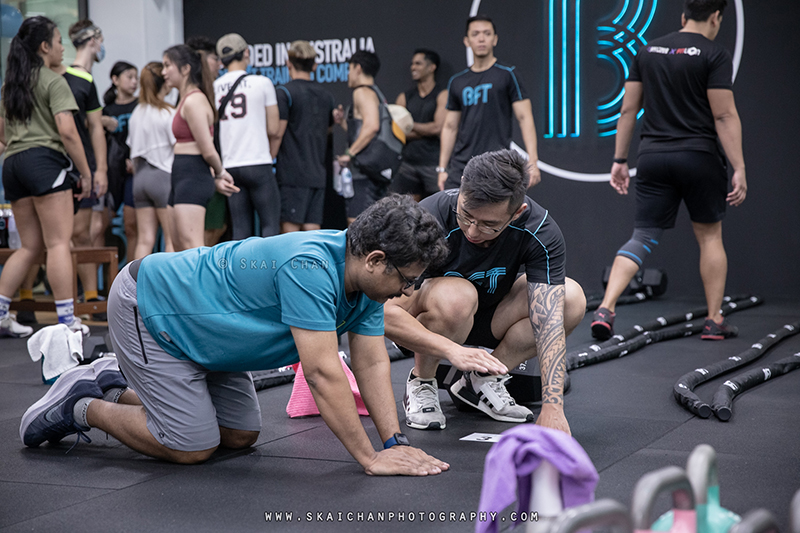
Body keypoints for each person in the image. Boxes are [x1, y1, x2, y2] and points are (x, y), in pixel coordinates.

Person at [20, 194, 452, 477]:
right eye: (407, 279)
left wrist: (394, 442)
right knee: (192, 445)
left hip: (209, 338)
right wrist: (370, 458)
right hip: (152, 310)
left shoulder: (363, 284)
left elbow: (373, 360)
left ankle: (116, 382)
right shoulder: (311, 268)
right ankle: (81, 402)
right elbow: (321, 372)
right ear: (376, 260)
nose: (408, 291)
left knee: (239, 434)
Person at [384, 150, 586, 434]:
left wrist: (553, 407)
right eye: (466, 216)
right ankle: (422, 381)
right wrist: (450, 350)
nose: (473, 231)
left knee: (571, 298)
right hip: (434, 318)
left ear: (517, 213)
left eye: (489, 225)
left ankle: (480, 381)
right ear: (462, 185)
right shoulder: (430, 216)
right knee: (458, 296)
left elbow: (549, 322)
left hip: (490, 318)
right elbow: (382, 311)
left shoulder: (539, 230)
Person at [590, 0, 746, 342]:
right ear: (717, 17)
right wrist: (739, 167)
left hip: (653, 157)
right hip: (698, 156)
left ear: (683, 15)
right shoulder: (714, 54)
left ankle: (606, 307)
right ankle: (714, 320)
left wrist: (619, 161)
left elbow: (628, 110)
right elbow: (723, 115)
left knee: (642, 237)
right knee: (709, 237)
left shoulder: (647, 51)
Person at [0, 16, 92, 337]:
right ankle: (67, 322)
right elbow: (68, 132)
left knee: (29, 247)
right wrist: (86, 172)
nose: (62, 47)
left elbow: (2, 135)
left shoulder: (9, 86)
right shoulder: (53, 81)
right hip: (44, 162)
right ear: (44, 46)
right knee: (58, 244)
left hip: (12, 165)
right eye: (58, 41)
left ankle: (0, 314)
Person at [439, 15, 541, 191]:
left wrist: (533, 160)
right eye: (475, 34)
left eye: (487, 34)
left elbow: (524, 117)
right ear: (466, 40)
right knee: (454, 216)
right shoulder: (457, 81)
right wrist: (442, 168)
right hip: (460, 166)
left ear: (495, 39)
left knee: (493, 216)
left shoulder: (508, 74)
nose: (481, 38)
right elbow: (449, 126)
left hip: (496, 163)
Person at [162, 44, 237, 251]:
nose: (163, 72)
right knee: (176, 245)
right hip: (181, 175)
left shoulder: (194, 100)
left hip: (193, 176)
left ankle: (202, 285)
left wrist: (220, 173)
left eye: (168, 66)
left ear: (185, 69)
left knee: (192, 247)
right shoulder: (185, 100)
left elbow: (207, 149)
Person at [59, 20, 109, 313]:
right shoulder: (60, 77)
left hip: (84, 166)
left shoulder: (87, 82)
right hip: (57, 163)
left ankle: (89, 297)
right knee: (58, 236)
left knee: (84, 232)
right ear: (94, 40)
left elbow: (95, 128)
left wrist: (100, 168)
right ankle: (32, 297)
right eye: (101, 40)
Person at [213, 33, 280, 239]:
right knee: (270, 227)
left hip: (230, 165)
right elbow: (274, 128)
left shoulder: (214, 87)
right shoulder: (262, 82)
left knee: (240, 231)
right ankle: (268, 271)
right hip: (258, 161)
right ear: (246, 53)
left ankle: (241, 272)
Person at [274, 40, 336, 233]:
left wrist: (268, 161)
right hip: (317, 174)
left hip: (292, 174)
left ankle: (292, 265)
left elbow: (277, 132)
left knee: (290, 232)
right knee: (312, 230)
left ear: (288, 63)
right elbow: (327, 131)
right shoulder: (326, 96)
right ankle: (314, 264)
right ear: (314, 66)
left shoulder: (284, 92)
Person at [127, 61, 176, 259]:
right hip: (163, 175)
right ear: (163, 82)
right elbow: (178, 146)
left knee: (144, 239)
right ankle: (168, 289)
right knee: (171, 239)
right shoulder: (168, 112)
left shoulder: (136, 113)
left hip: (140, 180)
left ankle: (135, 287)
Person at [333, 50, 387, 224]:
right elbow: (365, 129)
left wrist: (349, 153)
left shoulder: (361, 92)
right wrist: (343, 123)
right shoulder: (376, 93)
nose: (348, 74)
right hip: (374, 171)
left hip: (364, 174)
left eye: (349, 68)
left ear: (358, 68)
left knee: (358, 226)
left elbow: (372, 126)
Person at [186, 35, 228, 246]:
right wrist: (215, 173)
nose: (220, 65)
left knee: (217, 229)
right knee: (200, 238)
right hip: (202, 174)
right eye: (214, 59)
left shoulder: (208, 92)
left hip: (210, 171)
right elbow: (201, 143)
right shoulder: (195, 97)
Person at [391, 49, 447, 201]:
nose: (413, 67)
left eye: (418, 63)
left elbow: (438, 128)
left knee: (439, 207)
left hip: (433, 163)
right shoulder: (405, 97)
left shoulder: (442, 94)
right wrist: (424, 129)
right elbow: (397, 131)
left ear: (432, 67)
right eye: (412, 64)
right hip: (407, 164)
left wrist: (409, 125)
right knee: (404, 211)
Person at [102, 61, 138, 262]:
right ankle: (97, 285)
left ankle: (130, 276)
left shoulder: (140, 105)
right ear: (115, 80)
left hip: (135, 172)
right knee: (101, 224)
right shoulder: (106, 111)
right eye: (129, 77)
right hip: (111, 173)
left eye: (136, 78)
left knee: (131, 226)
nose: (134, 82)